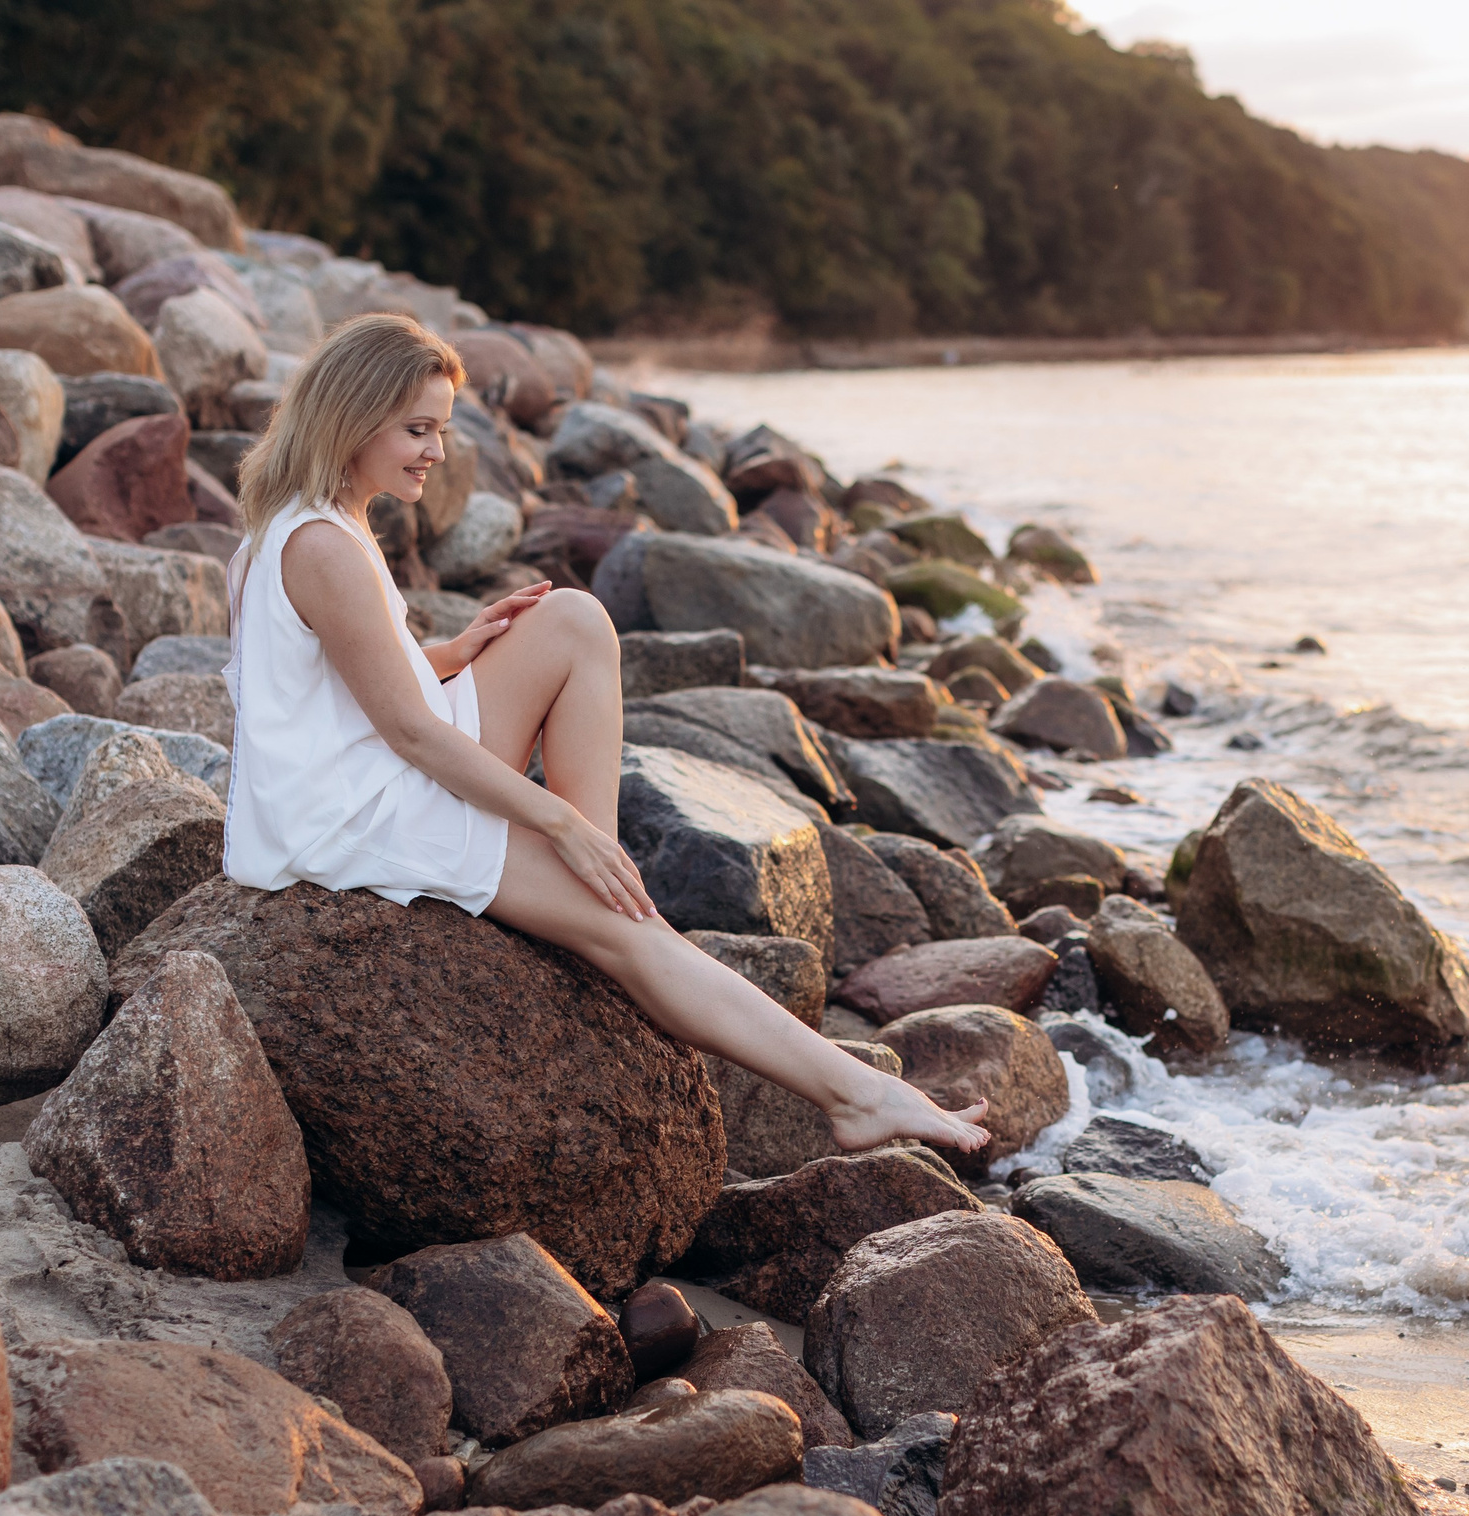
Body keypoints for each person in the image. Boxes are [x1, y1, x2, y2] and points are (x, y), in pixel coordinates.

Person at [224, 312, 990, 1157]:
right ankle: (854, 1093)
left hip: (359, 776)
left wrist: (450, 652)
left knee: (574, 618)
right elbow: (406, 731)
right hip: (357, 813)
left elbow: (324, 685)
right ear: (350, 418)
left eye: (439, 430)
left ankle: (600, 897)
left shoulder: (306, 520)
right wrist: (561, 824)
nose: (435, 453)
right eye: (417, 430)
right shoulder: (324, 546)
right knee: (623, 919)